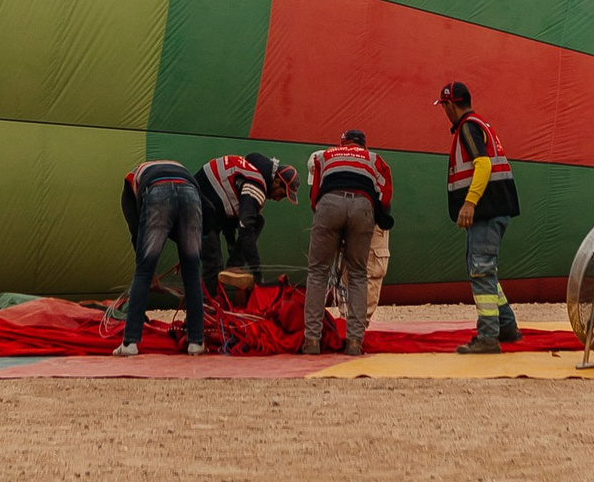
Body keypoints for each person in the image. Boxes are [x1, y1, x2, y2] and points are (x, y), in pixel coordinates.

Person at [437, 79, 521, 352]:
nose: (444, 111)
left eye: (444, 106)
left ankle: (488, 337)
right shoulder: (480, 124)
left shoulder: (468, 127)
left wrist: (470, 202)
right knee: (484, 270)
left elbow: (483, 165)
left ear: (451, 105)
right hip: (495, 209)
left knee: (481, 270)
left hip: (487, 210)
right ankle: (506, 326)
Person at [301, 129, 394, 356]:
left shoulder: (325, 156)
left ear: (342, 144)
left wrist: (327, 220)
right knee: (358, 275)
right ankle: (354, 342)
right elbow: (385, 194)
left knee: (317, 273)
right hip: (363, 207)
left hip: (329, 205)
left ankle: (312, 340)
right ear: (364, 145)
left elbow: (315, 197)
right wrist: (377, 217)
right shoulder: (374, 159)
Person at [117, 159, 206, 357]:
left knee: (143, 271)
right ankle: (196, 342)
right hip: (191, 193)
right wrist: (192, 250)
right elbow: (206, 213)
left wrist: (151, 274)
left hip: (157, 192)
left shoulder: (130, 183)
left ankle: (130, 343)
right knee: (192, 271)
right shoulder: (181, 170)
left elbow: (137, 231)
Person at [197, 152, 298, 298]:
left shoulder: (249, 171)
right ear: (276, 181)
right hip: (197, 210)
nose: (278, 199)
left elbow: (230, 218)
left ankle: (233, 267)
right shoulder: (256, 184)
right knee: (214, 266)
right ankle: (206, 307)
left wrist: (233, 255)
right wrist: (258, 276)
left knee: (258, 220)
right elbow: (245, 229)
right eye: (282, 194)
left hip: (208, 207)